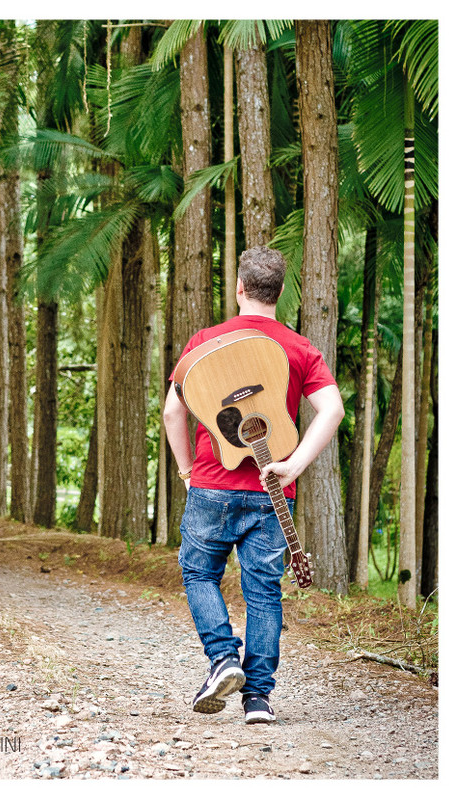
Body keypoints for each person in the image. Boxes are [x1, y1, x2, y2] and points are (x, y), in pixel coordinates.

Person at [162, 245, 343, 725]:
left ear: (239, 287)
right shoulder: (299, 347)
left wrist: (186, 471)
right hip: (272, 490)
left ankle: (223, 658)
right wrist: (295, 464)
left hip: (212, 482)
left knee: (199, 572)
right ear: (280, 293)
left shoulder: (205, 341)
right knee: (264, 592)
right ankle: (258, 699)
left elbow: (172, 411)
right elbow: (332, 409)